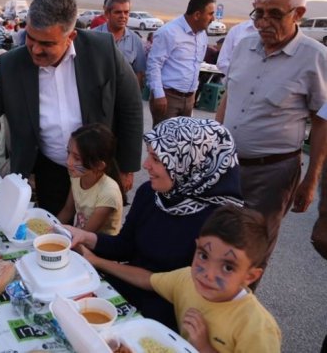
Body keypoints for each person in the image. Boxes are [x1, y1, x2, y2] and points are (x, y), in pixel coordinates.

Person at [0, 0, 143, 216]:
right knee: (54, 231)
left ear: (70, 36)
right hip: (49, 170)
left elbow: (130, 106)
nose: (36, 50)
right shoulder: (13, 64)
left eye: (47, 44)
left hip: (97, 169)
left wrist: (127, 167)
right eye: (31, 39)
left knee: (96, 238)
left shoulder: (102, 51)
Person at [66, 117, 243, 330]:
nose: (145, 165)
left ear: (188, 164)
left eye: (157, 159)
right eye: (149, 155)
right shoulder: (151, 194)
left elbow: (167, 283)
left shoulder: (217, 222)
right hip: (129, 283)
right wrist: (83, 236)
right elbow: (124, 246)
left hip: (169, 309)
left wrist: (98, 262)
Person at [216, 0, 327, 273]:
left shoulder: (316, 59)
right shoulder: (243, 45)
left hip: (272, 174)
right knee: (215, 238)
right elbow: (229, 96)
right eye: (258, 13)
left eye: (274, 14)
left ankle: (240, 311)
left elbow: (322, 122)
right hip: (226, 165)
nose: (263, 22)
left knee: (251, 248)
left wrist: (311, 179)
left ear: (299, 13)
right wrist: (211, 145)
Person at [84, 205, 281, 352]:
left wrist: (204, 347)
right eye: (203, 255)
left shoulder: (258, 329)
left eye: (228, 267)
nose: (208, 274)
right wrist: (97, 261)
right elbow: (147, 279)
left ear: (251, 276)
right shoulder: (187, 279)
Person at [146, 0, 215, 126]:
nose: (213, 18)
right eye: (210, 14)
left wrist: (192, 93)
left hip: (188, 98)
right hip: (167, 97)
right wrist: (159, 95)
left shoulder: (202, 34)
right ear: (197, 15)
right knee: (165, 143)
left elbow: (195, 64)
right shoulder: (169, 32)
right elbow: (154, 64)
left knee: (182, 143)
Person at [57, 123, 124, 235]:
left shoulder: (109, 193)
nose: (68, 162)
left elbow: (85, 236)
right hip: (78, 238)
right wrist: (49, 229)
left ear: (99, 165)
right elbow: (68, 210)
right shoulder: (77, 176)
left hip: (97, 248)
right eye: (68, 152)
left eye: (77, 158)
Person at [92, 0, 147, 89]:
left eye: (126, 12)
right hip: (96, 94)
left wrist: (135, 98)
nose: (123, 16)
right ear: (107, 14)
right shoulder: (92, 37)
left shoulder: (136, 40)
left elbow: (139, 73)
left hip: (125, 96)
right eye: (118, 12)